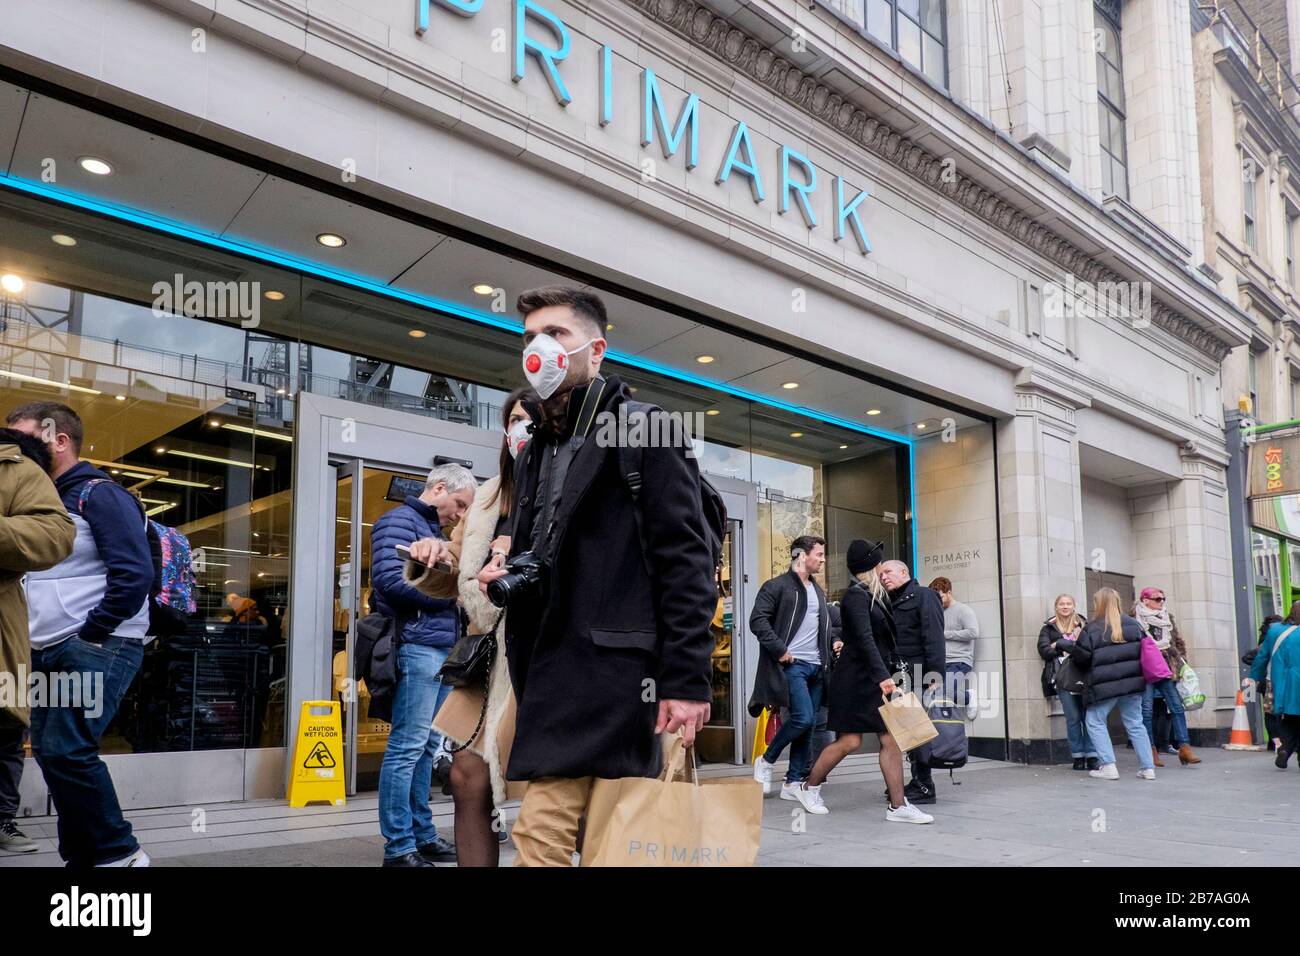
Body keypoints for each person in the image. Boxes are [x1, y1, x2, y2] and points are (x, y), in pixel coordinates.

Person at [477, 286, 716, 867]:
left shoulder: (643, 428)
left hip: (624, 677)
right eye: (530, 336)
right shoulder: (534, 446)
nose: (539, 348)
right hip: (554, 672)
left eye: (555, 334)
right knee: (541, 833)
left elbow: (686, 560)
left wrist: (686, 679)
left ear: (596, 348)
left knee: (612, 844)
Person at [8, 402, 153, 865]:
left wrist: (91, 633)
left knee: (67, 750)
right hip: (52, 647)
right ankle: (84, 857)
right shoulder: (38, 500)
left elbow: (134, 573)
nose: (17, 450)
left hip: (95, 644)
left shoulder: (99, 494)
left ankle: (121, 855)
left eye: (26, 439)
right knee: (56, 754)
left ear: (60, 440)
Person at [406, 385, 536, 866]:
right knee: (465, 774)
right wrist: (433, 557)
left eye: (532, 418)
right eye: (515, 419)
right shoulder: (486, 498)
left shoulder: (573, 487)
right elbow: (456, 575)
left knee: (561, 793)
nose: (521, 427)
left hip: (552, 655)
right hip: (488, 658)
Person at [370, 462, 477, 867]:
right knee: (407, 746)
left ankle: (422, 835)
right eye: (460, 504)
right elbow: (390, 582)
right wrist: (452, 594)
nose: (461, 515)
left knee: (426, 747)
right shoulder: (399, 521)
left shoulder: (435, 534)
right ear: (438, 488)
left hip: (439, 650)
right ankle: (398, 848)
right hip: (417, 646)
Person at [798, 539, 933, 823]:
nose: (883, 568)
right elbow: (863, 639)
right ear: (872, 565)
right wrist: (884, 677)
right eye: (880, 563)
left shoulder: (874, 595)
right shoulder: (856, 596)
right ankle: (808, 787)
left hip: (871, 678)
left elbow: (883, 640)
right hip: (856, 680)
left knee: (890, 741)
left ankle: (898, 807)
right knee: (850, 742)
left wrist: (894, 673)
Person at [0, 425, 76, 854]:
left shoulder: (18, 468)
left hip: (9, 627)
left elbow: (53, 536)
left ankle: (1, 819)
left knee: (6, 725)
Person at [749, 536, 832, 799]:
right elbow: (757, 620)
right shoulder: (776, 586)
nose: (822, 559)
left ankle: (793, 781)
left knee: (808, 725)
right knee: (803, 718)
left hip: (817, 667)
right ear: (801, 555)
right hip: (793, 665)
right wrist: (781, 650)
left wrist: (836, 640)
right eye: (818, 554)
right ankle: (766, 759)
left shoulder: (819, 591)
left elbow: (824, 626)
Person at [1067, 587, 1155, 781]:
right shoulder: (1134, 625)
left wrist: (1069, 645)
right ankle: (1148, 768)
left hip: (1104, 686)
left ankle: (1108, 766)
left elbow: (1081, 659)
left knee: (1094, 720)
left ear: (1098, 603)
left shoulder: (1092, 628)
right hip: (1132, 683)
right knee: (1135, 724)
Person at [878, 559, 945, 804]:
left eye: (888, 572)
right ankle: (916, 782)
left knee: (917, 733)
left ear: (904, 572)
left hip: (918, 674)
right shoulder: (889, 601)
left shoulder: (925, 595)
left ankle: (925, 785)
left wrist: (936, 675)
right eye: (881, 573)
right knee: (906, 732)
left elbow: (934, 636)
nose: (884, 577)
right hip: (898, 676)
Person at [1133, 587, 1200, 767]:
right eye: (1157, 599)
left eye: (1163, 599)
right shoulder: (1135, 619)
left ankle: (1185, 748)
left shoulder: (1166, 618)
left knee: (1177, 707)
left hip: (1166, 666)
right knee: (1146, 710)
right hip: (1145, 668)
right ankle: (1151, 750)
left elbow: (1177, 640)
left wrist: (1181, 661)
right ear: (1145, 600)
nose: (1161, 602)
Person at [1036, 594, 1096, 771]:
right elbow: (1044, 650)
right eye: (1061, 604)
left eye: (1068, 603)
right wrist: (1068, 647)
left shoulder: (1084, 625)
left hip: (1085, 677)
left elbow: (1090, 648)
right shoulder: (1048, 628)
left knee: (1089, 717)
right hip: (1062, 678)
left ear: (1074, 606)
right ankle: (1078, 756)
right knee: (1073, 718)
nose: (1065, 607)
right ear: (1056, 607)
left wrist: (1059, 644)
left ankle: (1092, 755)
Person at [1249, 605, 1300, 769]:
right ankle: (1288, 750)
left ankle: (1284, 749)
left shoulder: (1275, 631)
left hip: (1282, 683)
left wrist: (1253, 678)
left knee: (1289, 718)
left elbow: (1262, 657)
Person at [930, 576, 979, 720]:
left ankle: (968, 697)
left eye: (941, 596)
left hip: (960, 660)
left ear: (949, 593)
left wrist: (946, 634)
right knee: (935, 693)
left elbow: (974, 632)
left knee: (946, 692)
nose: (938, 600)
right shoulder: (936, 611)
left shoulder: (963, 610)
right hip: (941, 661)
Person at [1246, 614, 1285, 752]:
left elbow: (1256, 659)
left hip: (1267, 680)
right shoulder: (1276, 636)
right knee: (1278, 712)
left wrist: (1254, 678)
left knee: (1270, 712)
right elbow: (1253, 657)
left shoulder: (1266, 636)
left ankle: (1274, 742)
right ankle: (1281, 742)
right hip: (1276, 680)